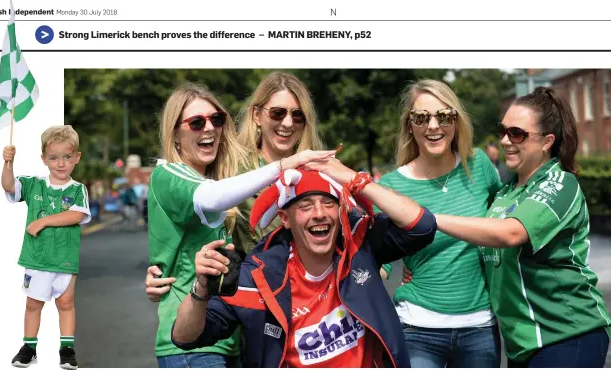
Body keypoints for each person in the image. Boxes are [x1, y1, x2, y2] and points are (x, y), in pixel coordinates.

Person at [170, 160, 438, 367]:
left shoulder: (360, 245)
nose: (319, 214)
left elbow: (422, 225)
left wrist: (353, 179)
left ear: (341, 210)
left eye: (328, 204)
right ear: (285, 218)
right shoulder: (257, 278)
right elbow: (186, 337)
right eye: (306, 206)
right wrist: (201, 289)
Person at [144, 82, 335, 368]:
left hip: (263, 332)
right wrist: (286, 166)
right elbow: (212, 199)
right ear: (257, 115)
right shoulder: (221, 178)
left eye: (216, 120)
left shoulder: (221, 173)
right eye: (196, 122)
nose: (208, 128)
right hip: (203, 335)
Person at [435, 87, 611, 367]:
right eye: (502, 131)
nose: (505, 140)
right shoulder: (504, 193)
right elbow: (478, 239)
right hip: (522, 345)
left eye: (517, 133)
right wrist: (416, 264)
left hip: (568, 334)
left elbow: (510, 233)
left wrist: (430, 219)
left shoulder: (561, 183)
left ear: (546, 142)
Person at [378, 79, 501, 367]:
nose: (433, 126)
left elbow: (502, 220)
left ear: (456, 122)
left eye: (444, 116)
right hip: (417, 328)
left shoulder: (479, 165)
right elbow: (378, 263)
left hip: (480, 327)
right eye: (421, 118)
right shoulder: (390, 187)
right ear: (410, 125)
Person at [2, 125, 91, 369]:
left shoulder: (77, 190)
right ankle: (29, 347)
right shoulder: (33, 185)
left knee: (66, 304)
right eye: (54, 158)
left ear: (76, 158)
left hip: (65, 260)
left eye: (67, 157)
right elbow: (9, 186)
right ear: (44, 159)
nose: (61, 164)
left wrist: (43, 221)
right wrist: (8, 163)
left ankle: (67, 349)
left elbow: (76, 216)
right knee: (33, 304)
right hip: (36, 259)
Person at [233, 71, 325, 255]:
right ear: (256, 115)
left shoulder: (320, 171)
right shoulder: (234, 171)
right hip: (252, 279)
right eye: (278, 113)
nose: (288, 123)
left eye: (298, 115)